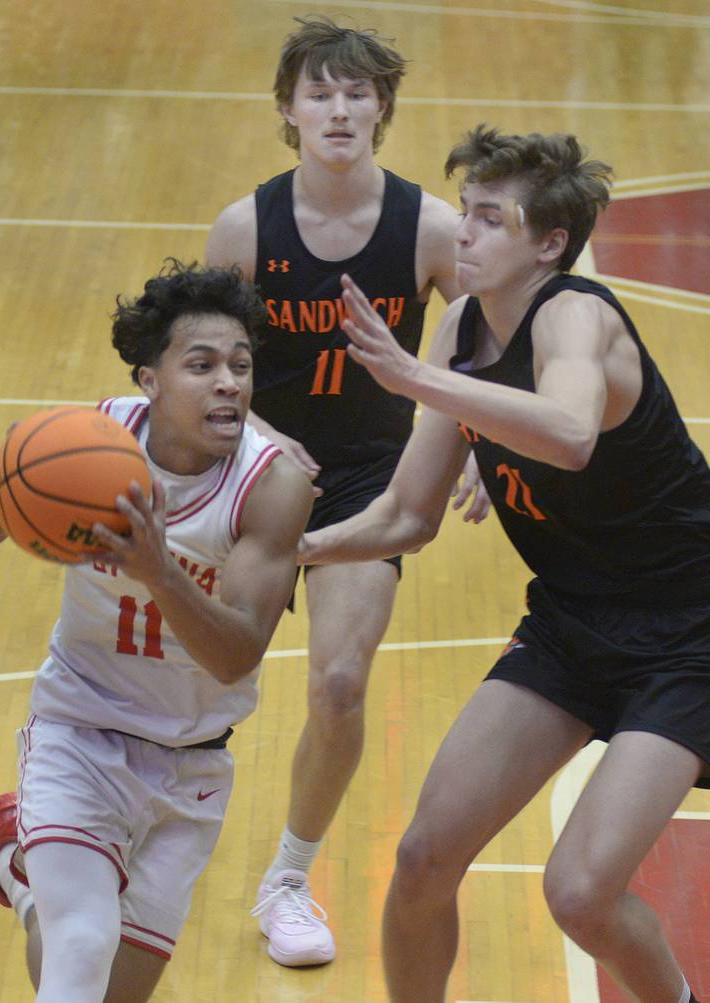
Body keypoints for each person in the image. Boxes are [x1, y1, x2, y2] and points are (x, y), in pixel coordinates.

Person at [298, 125, 710, 1003]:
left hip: (691, 635)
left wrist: (415, 380)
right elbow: (409, 515)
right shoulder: (460, 327)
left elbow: (566, 434)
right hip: (571, 623)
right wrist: (304, 544)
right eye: (465, 214)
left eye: (489, 219)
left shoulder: (577, 315)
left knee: (580, 892)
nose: (464, 234)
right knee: (421, 857)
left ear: (550, 243)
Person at [0, 260, 313, 1003]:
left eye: (240, 365)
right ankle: (36, 855)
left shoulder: (272, 486)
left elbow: (238, 655)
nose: (229, 381)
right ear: (150, 381)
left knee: (111, 989)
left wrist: (159, 569)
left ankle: (13, 860)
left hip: (192, 758)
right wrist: (0, 487)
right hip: (80, 728)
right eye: (201, 365)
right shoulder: (84, 448)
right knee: (81, 948)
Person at [206, 15, 489, 967]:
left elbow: (497, 349)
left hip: (364, 481)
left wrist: (488, 445)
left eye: (356, 91)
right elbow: (190, 357)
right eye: (318, 92)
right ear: (288, 109)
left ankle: (287, 875)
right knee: (195, 681)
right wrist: (248, 428)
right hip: (248, 471)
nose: (337, 108)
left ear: (382, 108)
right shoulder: (246, 228)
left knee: (338, 680)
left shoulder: (433, 230)